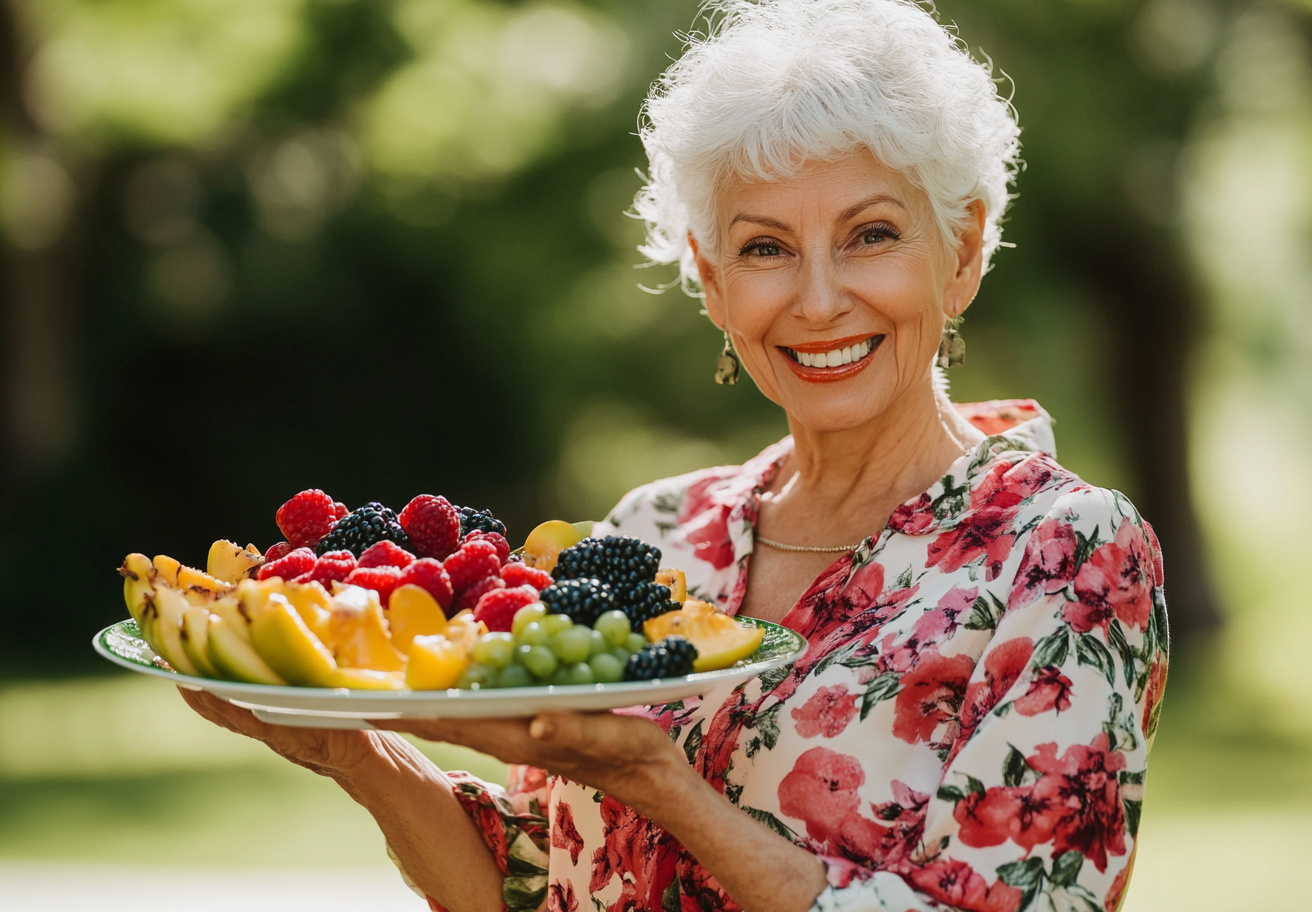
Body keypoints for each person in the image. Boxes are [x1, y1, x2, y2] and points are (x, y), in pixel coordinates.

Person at [182, 2, 1169, 911]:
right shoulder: (654, 533)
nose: (817, 300)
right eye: (764, 249)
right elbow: (529, 882)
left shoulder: (1064, 554)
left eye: (869, 235)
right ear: (708, 279)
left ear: (959, 253)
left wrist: (661, 787)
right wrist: (353, 752)